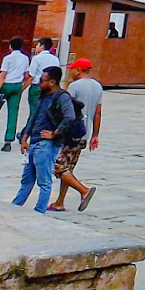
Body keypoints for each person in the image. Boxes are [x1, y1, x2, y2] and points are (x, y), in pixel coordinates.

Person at [14, 65, 74, 213]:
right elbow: (34, 116)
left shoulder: (62, 97)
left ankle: (39, 210)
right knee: (27, 180)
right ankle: (15, 207)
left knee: (44, 181)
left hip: (46, 145)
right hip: (34, 142)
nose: (40, 83)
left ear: (52, 82)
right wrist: (25, 137)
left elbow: (70, 117)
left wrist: (54, 133)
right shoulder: (43, 96)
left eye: (42, 80)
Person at [48, 59, 102, 212]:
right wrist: (95, 134)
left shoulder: (74, 87)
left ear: (78, 70)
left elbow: (66, 109)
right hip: (85, 132)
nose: (70, 72)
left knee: (58, 167)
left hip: (70, 132)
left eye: (72, 69)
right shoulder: (97, 86)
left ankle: (83, 190)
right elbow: (98, 112)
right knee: (68, 168)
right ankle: (60, 202)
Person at [22, 36, 60, 123]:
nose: (36, 47)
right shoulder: (55, 59)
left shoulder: (37, 58)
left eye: (37, 45)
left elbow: (31, 76)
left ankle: (29, 130)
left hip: (37, 86)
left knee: (34, 110)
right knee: (48, 109)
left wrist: (23, 87)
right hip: (51, 86)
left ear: (42, 46)